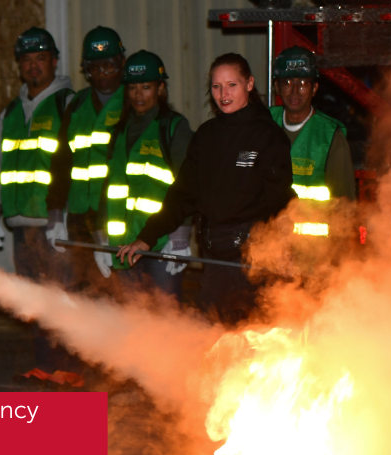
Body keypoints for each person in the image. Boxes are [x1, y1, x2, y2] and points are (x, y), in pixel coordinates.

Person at [119, 53, 294, 325]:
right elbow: (184, 193)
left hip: (252, 264)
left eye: (231, 85)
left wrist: (281, 252)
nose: (223, 94)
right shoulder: (206, 135)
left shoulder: (267, 136)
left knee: (253, 345)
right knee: (211, 341)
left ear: (249, 84)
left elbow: (280, 201)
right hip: (214, 262)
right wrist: (147, 236)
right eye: (216, 86)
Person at [0, 27, 82, 386]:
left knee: (63, 295)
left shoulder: (68, 103)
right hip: (21, 224)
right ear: (19, 66)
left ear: (54, 60)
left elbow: (76, 163)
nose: (34, 66)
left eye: (41, 58)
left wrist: (65, 215)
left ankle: (69, 365)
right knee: (36, 298)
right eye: (27, 60)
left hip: (55, 222)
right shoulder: (10, 112)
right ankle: (45, 362)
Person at [100, 50, 193, 299]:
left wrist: (181, 235)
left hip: (162, 243)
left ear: (160, 88)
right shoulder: (118, 132)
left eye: (146, 87)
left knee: (165, 322)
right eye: (132, 88)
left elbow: (189, 184)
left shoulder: (174, 128)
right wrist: (101, 237)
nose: (138, 94)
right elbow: (109, 188)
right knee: (133, 324)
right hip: (122, 245)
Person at [48, 26, 128, 280]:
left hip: (119, 216)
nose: (102, 74)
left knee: (122, 293)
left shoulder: (134, 102)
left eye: (109, 66)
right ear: (86, 69)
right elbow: (61, 162)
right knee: (83, 290)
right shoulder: (77, 105)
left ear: (122, 63)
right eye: (94, 67)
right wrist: (55, 213)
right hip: (79, 216)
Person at [270, 46, 356, 239]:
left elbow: (345, 206)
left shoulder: (329, 136)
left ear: (314, 88)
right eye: (287, 82)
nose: (294, 91)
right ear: (277, 87)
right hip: (270, 248)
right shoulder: (264, 124)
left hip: (315, 254)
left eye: (302, 83)